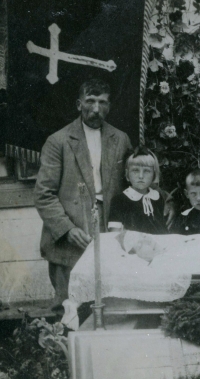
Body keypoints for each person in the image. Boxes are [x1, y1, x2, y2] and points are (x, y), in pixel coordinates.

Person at [34, 79, 132, 313]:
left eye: (102, 102)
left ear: (109, 106)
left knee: (109, 306)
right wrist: (67, 229)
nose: (96, 109)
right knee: (69, 309)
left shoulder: (121, 139)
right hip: (71, 232)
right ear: (79, 104)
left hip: (108, 230)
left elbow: (133, 185)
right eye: (90, 101)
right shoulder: (58, 141)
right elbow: (43, 194)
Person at [107, 146, 169, 235]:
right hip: (133, 246)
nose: (141, 176)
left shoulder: (157, 197)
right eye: (135, 170)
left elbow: (162, 228)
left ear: (154, 175)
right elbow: (114, 234)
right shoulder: (119, 200)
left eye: (147, 171)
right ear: (127, 175)